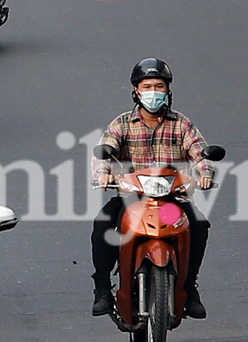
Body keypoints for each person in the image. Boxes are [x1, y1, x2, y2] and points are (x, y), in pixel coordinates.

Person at [90, 59, 214, 319]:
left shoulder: (181, 124)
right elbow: (104, 152)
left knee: (199, 225)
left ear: (168, 91)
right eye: (147, 86)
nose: (153, 92)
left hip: (171, 202)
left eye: (159, 86)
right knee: (103, 223)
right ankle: (102, 287)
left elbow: (200, 153)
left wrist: (205, 174)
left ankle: (189, 286)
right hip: (131, 200)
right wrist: (102, 175)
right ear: (136, 90)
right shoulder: (122, 124)